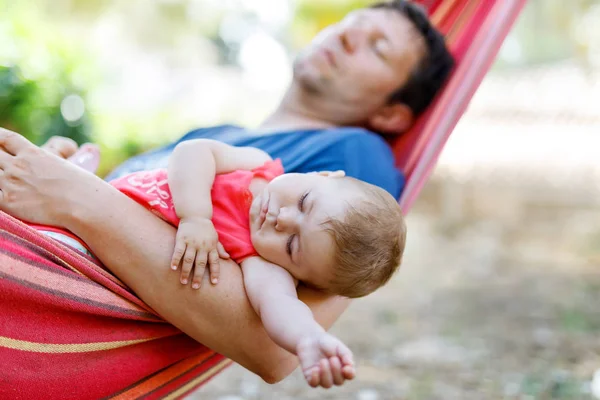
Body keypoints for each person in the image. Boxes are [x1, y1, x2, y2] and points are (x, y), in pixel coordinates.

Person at [0, 0, 453, 395]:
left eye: (378, 47)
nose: (350, 36)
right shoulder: (221, 142)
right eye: (353, 22)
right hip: (41, 251)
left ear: (390, 113)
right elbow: (132, 203)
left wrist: (73, 196)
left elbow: (272, 349)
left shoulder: (355, 156)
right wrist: (65, 174)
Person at [107, 138, 406, 386]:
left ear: (296, 275)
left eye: (292, 245)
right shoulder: (257, 165)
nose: (283, 219)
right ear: (322, 175)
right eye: (304, 203)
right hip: (106, 198)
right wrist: (195, 217)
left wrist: (309, 338)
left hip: (98, 256)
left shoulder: (260, 261)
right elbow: (193, 151)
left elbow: (280, 305)